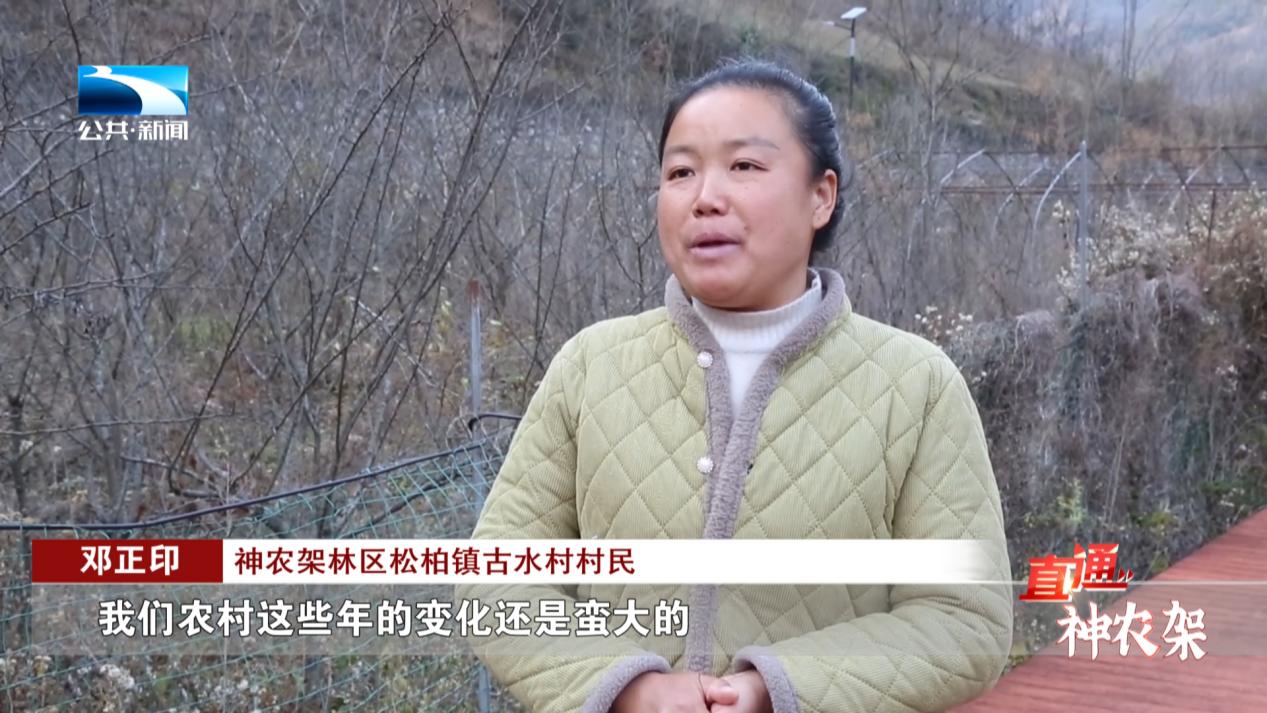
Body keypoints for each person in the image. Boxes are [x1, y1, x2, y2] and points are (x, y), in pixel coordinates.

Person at [462, 58, 1013, 713]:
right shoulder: (590, 365)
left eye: (744, 166)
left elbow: (963, 619)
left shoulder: (915, 384)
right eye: (680, 172)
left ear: (821, 196)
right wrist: (628, 686)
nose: (705, 197)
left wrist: (776, 688)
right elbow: (495, 584)